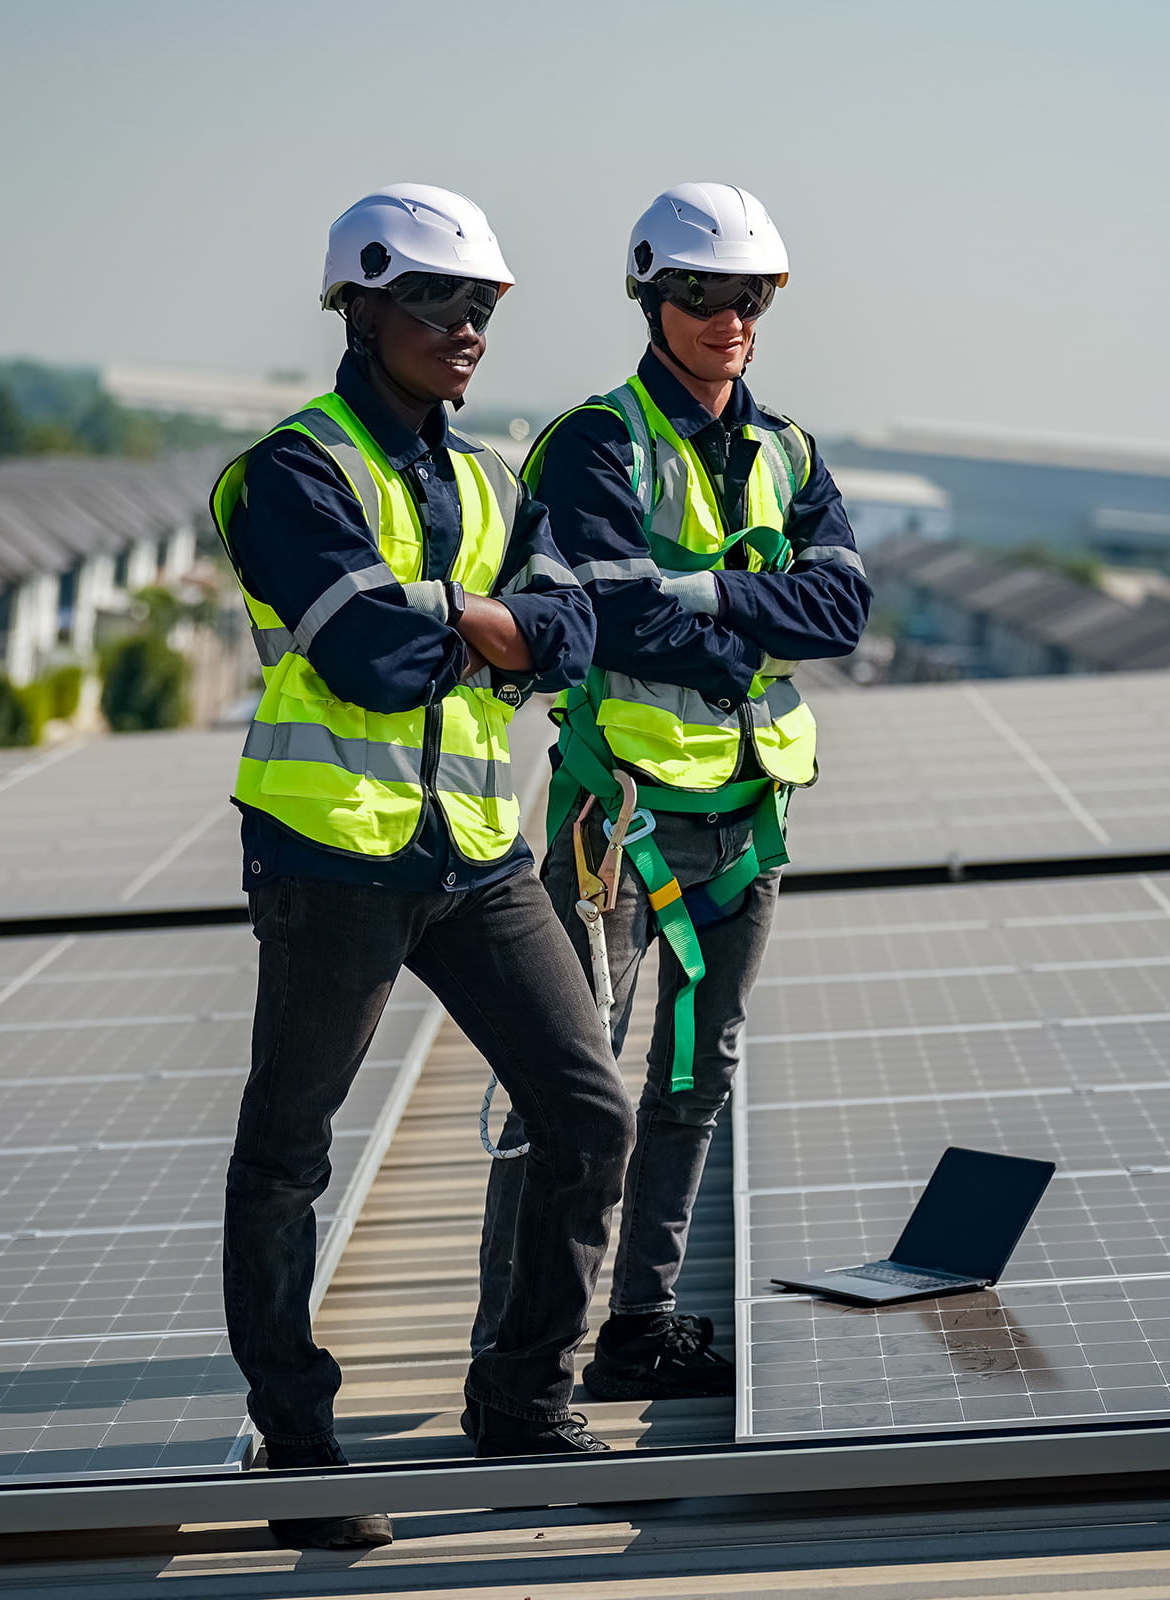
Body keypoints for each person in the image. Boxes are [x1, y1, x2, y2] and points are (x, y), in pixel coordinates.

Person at [210, 184, 635, 1551]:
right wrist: (484, 619)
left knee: (589, 1116)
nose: (469, 328)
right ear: (364, 304)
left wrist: (458, 615)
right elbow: (368, 661)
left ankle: (518, 1403)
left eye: (486, 307)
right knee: (288, 1154)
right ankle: (299, 1443)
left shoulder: (494, 477)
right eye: (445, 303)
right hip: (330, 858)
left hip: (476, 858)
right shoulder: (292, 473)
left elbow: (574, 635)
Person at [475, 182, 871, 1402]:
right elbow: (616, 615)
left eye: (752, 294)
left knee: (697, 1076)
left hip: (747, 824)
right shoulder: (596, 443)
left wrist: (708, 599)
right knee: (570, 1085)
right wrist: (755, 608)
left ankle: (638, 1324)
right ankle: (517, 1341)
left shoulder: (788, 449)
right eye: (704, 292)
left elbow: (844, 611)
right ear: (654, 296)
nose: (731, 316)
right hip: (622, 823)